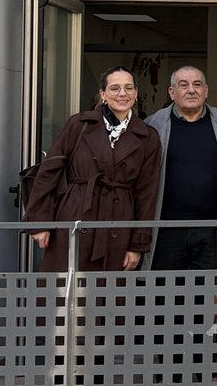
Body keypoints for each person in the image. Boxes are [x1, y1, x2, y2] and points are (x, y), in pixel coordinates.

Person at [25, 66, 161, 271]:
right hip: (75, 213)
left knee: (109, 287)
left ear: (135, 93)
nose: (122, 94)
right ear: (103, 94)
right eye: (115, 88)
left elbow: (147, 194)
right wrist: (39, 222)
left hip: (119, 222)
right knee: (65, 285)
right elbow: (49, 172)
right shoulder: (79, 124)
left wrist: (137, 244)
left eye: (128, 88)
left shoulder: (147, 136)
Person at [143, 66, 217, 270]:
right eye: (183, 85)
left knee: (210, 288)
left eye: (197, 84)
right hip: (166, 229)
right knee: (166, 288)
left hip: (212, 228)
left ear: (206, 90)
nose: (191, 90)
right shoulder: (153, 126)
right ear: (172, 92)